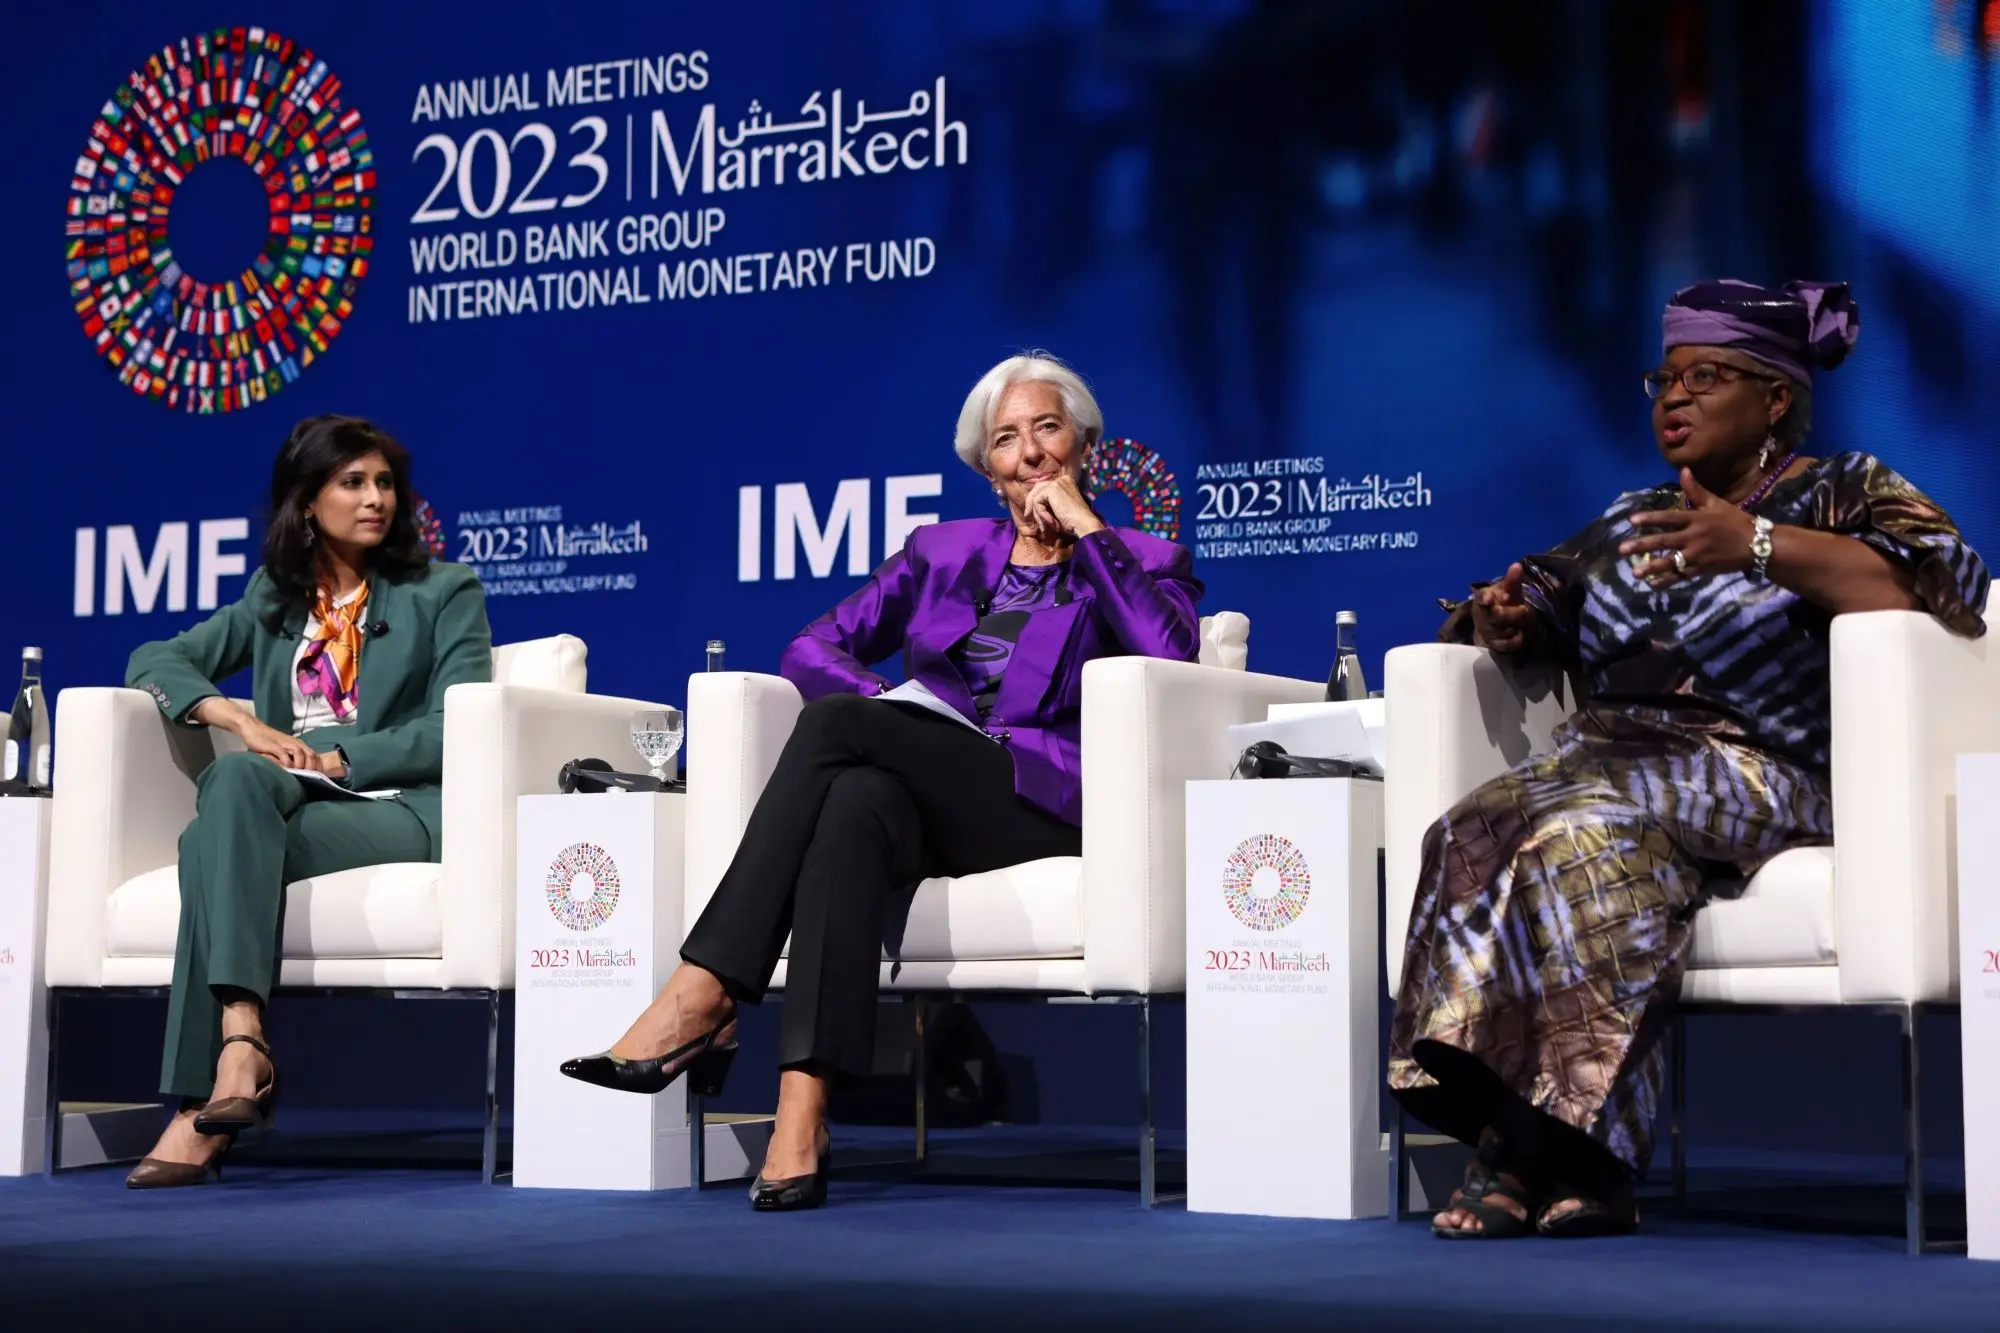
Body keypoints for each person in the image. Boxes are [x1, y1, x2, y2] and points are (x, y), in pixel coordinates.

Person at [1391, 279, 1989, 1238]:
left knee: (1584, 834)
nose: (1674, 396)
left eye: (1704, 377)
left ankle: (1550, 1156)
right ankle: (1525, 1139)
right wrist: (1507, 618)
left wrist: (1758, 544)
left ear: (1775, 397)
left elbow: (1942, 582)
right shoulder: (1634, 515)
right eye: (1664, 379)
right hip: (1609, 759)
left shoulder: (1841, 487)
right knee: (1471, 825)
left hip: (1764, 762)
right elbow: (1545, 590)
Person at [560, 353, 1203, 1209]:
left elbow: (1173, 656)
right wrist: (897, 718)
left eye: (1048, 428)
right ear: (987, 469)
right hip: (933, 787)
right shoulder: (941, 554)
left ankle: (703, 990)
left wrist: (1090, 534)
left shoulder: (1146, 558)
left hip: (1042, 799)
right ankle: (802, 1116)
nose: (1030, 452)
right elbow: (812, 646)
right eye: (1006, 440)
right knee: (853, 805)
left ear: (1084, 444)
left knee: (834, 728)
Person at [122, 415, 492, 1188]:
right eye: (352, 482)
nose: (375, 498)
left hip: (397, 804)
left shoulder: (444, 590)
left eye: (384, 482)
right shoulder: (275, 597)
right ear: (308, 501)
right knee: (236, 782)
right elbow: (155, 659)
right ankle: (240, 1040)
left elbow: (457, 721)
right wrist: (240, 722)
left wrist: (338, 757)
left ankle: (202, 1094)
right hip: (287, 796)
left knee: (206, 841)